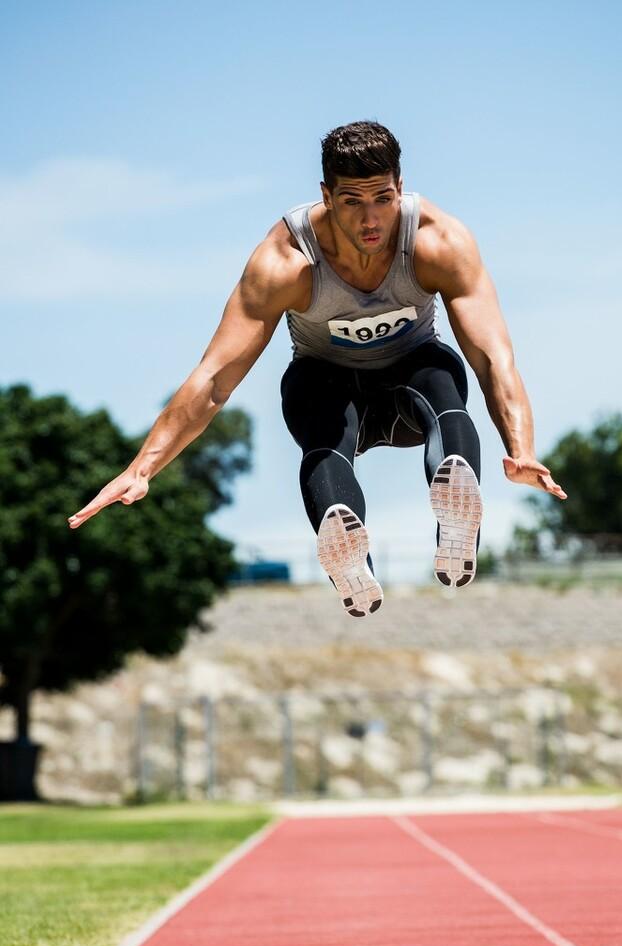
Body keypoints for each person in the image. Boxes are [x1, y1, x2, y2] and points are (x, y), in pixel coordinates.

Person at [68, 120, 566, 616]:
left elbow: (493, 356)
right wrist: (142, 468)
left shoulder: (439, 242)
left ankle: (457, 520)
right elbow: (215, 378)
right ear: (326, 195)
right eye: (353, 201)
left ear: (400, 186)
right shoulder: (285, 262)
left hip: (410, 390)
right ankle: (350, 561)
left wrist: (521, 450)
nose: (371, 219)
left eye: (383, 198)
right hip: (328, 388)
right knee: (314, 408)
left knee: (443, 371)